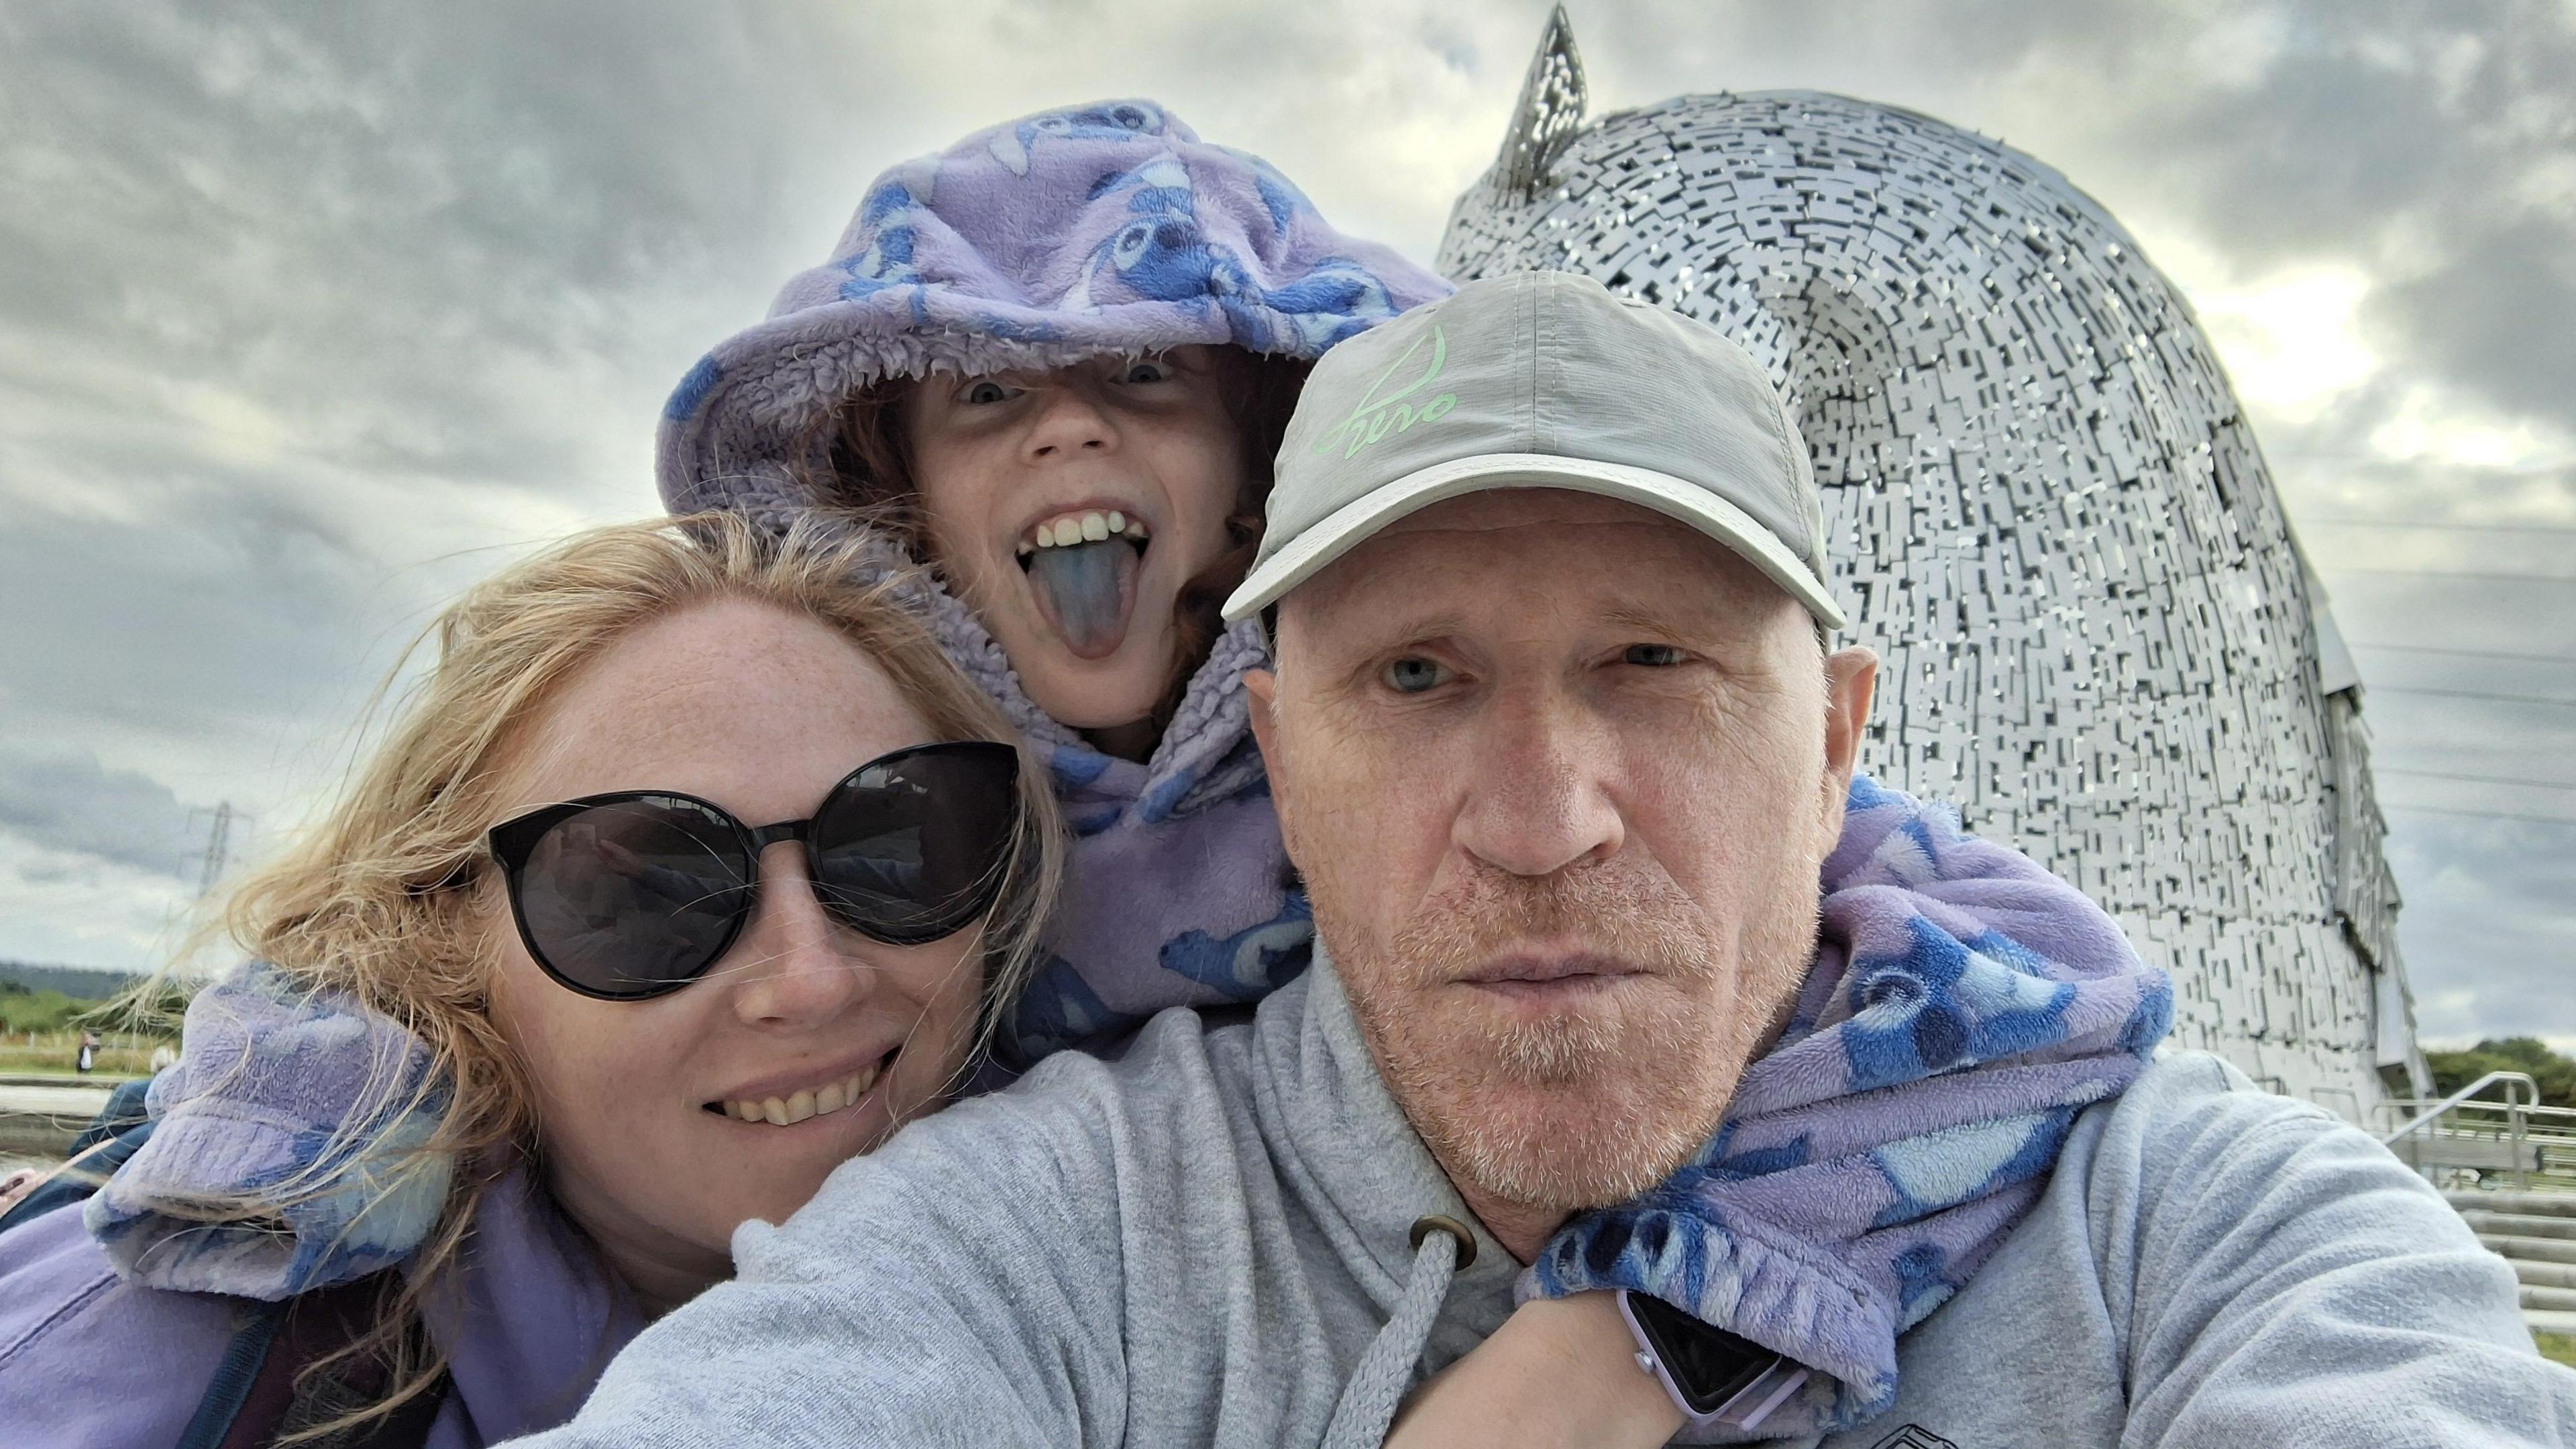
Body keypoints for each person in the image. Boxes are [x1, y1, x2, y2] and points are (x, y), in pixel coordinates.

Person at [517, 273, 2574, 1449]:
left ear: (1839, 739)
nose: (1541, 822)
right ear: (1281, 757)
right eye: (1414, 678)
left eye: (1658, 665)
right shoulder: (1050, 1246)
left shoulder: (2198, 1238)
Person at [0, 513, 1063, 1447]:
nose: (814, 979)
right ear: (440, 934)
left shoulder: (1112, 1269)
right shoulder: (161, 1347)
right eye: (650, 891)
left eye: (897, 841)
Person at [657, 99, 1450, 1059]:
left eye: (1149, 369)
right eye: (987, 394)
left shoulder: (1414, 732)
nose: (1070, 423)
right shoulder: (836, 807)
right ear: (904, 511)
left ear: (1256, 466)